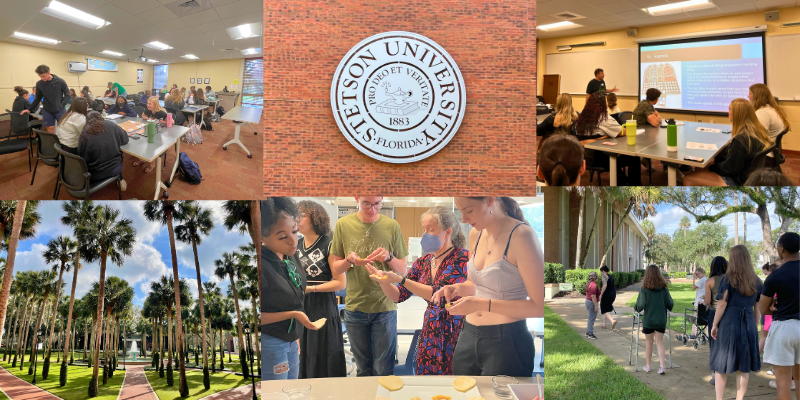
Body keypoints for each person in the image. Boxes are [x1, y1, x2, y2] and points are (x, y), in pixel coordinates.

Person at [433, 197, 543, 376]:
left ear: (491, 199)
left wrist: (481, 304)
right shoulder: (475, 234)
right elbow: (474, 283)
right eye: (461, 211)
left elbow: (538, 307)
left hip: (507, 342)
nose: (464, 219)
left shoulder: (522, 235)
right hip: (468, 334)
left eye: (469, 211)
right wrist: (457, 288)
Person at [368, 206, 469, 375]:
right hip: (430, 332)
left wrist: (401, 279)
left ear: (448, 232)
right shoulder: (423, 262)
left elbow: (440, 295)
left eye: (431, 230)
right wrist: (384, 281)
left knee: (455, 381)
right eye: (424, 230)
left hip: (456, 331)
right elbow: (398, 295)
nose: (425, 235)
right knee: (428, 381)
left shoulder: (462, 258)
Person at [329, 196, 409, 377]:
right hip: (355, 306)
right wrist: (349, 261)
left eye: (377, 204)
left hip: (384, 307)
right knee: (363, 369)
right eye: (366, 203)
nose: (372, 209)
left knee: (383, 369)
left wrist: (389, 257)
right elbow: (336, 267)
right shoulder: (343, 224)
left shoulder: (392, 225)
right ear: (357, 198)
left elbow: (402, 269)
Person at [261, 198, 321, 380]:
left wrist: (295, 337)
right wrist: (294, 315)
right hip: (271, 341)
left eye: (294, 231)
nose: (293, 241)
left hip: (291, 340)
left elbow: (296, 290)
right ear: (262, 236)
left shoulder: (290, 255)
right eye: (282, 236)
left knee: (292, 391)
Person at [295, 200, 347, 379]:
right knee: (304, 352)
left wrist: (311, 289)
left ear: (315, 218)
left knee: (324, 350)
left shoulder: (329, 243)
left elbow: (340, 283)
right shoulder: (296, 244)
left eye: (302, 215)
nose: (297, 219)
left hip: (323, 303)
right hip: (302, 303)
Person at [710, 245, 763, 400]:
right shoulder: (757, 280)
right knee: (743, 366)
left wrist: (714, 325)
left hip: (729, 323)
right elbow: (758, 307)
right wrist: (753, 325)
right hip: (748, 323)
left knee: (721, 365)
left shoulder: (729, 278)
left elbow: (722, 303)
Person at [684, 99, 772, 186]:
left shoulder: (740, 139)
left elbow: (730, 169)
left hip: (738, 181)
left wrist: (712, 167)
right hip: (749, 176)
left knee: (687, 178)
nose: (728, 112)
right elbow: (736, 160)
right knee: (701, 169)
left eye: (730, 110)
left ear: (737, 114)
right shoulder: (754, 132)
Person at [759, 232, 800, 400]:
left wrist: (774, 306)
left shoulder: (775, 276)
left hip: (784, 327)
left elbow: (763, 309)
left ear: (782, 249)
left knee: (783, 384)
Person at [575, 93, 643, 186]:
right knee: (634, 157)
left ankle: (623, 181)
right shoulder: (604, 118)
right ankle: (633, 185)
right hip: (600, 158)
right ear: (604, 104)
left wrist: (602, 137)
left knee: (615, 158)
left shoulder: (580, 119)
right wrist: (607, 135)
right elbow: (623, 132)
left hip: (583, 158)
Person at [634, 264, 674, 375]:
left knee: (649, 343)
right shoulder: (664, 290)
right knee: (660, 343)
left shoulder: (644, 289)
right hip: (660, 320)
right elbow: (670, 304)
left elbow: (640, 305)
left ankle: (648, 366)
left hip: (649, 320)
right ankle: (662, 367)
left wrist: (636, 308)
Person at [77, 111, 128, 189]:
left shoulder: (84, 132)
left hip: (94, 173)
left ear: (87, 121)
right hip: (115, 168)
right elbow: (125, 139)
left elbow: (81, 155)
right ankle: (119, 178)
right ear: (101, 117)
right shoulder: (111, 124)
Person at [19, 65, 70, 132]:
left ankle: (62, 142)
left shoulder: (60, 81)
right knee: (50, 128)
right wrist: (29, 109)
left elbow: (67, 95)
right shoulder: (39, 84)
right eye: (40, 76)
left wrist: (61, 105)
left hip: (60, 109)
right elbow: (38, 98)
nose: (42, 78)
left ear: (48, 73)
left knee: (63, 128)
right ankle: (53, 142)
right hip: (47, 110)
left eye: (43, 76)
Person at [704, 256, 728, 386]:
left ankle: (716, 373)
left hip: (713, 313)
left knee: (714, 343)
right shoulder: (730, 280)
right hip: (728, 313)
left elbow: (708, 302)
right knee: (724, 342)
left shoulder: (710, 281)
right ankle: (725, 368)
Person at [758, 263, 775, 358]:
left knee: (764, 336)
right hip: (771, 314)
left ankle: (756, 357)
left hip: (768, 314)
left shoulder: (771, 281)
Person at [599, 265, 617, 330]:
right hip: (613, 293)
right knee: (606, 308)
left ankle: (612, 321)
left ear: (603, 271)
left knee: (603, 309)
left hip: (607, 294)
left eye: (601, 271)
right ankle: (604, 324)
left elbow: (604, 285)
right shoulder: (611, 276)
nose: (600, 273)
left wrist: (601, 294)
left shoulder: (604, 276)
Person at [692, 267, 708, 338]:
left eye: (697, 274)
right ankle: (707, 334)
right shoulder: (706, 280)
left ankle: (694, 334)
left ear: (702, 273)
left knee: (696, 319)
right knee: (705, 319)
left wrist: (693, 278)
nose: (697, 275)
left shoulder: (702, 280)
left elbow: (693, 288)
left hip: (699, 302)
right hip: (705, 302)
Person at [585, 271, 600, 339]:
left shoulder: (589, 284)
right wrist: (596, 306)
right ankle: (590, 334)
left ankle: (588, 332)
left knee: (590, 318)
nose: (597, 277)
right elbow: (593, 296)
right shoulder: (593, 285)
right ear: (594, 277)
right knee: (591, 319)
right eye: (596, 276)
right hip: (592, 302)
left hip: (588, 301)